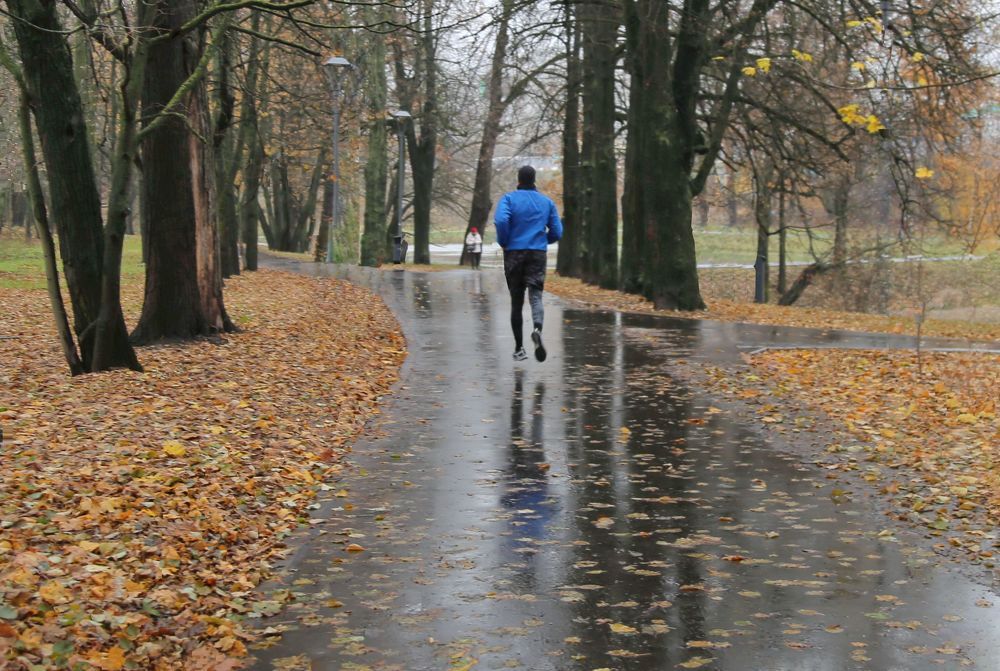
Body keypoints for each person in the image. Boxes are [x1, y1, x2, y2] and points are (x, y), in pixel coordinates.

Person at [494, 165, 562, 362]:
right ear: (534, 180)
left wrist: (505, 241)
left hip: (514, 253)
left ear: (519, 180)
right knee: (536, 295)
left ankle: (519, 349)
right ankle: (537, 329)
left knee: (516, 301)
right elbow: (557, 232)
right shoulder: (547, 202)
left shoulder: (508, 199)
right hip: (537, 254)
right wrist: (543, 241)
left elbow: (501, 221)